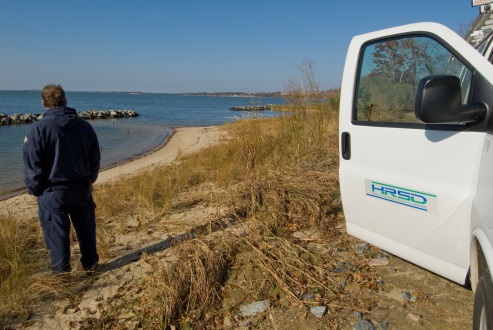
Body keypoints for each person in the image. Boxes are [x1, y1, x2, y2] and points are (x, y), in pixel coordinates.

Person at [22, 84, 101, 274]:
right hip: (79, 186)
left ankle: (62, 275)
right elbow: (95, 157)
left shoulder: (38, 128)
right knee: (85, 229)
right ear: (65, 101)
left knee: (57, 234)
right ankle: (90, 266)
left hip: (53, 190)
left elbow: (32, 163)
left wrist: (35, 189)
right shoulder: (84, 126)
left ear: (43, 103)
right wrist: (90, 178)